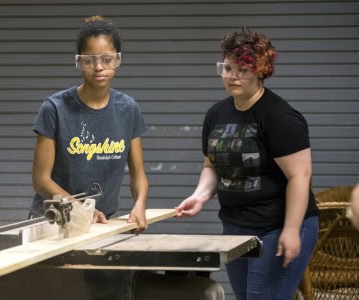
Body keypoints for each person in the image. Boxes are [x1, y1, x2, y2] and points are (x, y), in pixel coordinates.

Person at [176, 28, 319, 299]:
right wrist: (200, 196)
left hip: (276, 226)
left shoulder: (279, 116)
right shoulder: (216, 114)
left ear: (261, 70)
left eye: (242, 69)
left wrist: (291, 230)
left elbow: (300, 176)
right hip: (236, 226)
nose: (232, 76)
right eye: (227, 68)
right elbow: (212, 165)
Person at [29, 15, 148, 235]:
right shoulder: (55, 108)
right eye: (90, 60)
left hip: (101, 226)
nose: (99, 67)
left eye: (107, 59)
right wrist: (79, 208)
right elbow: (40, 180)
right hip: (52, 225)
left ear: (118, 60)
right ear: (79, 61)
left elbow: (138, 173)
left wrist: (140, 205)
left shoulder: (128, 108)